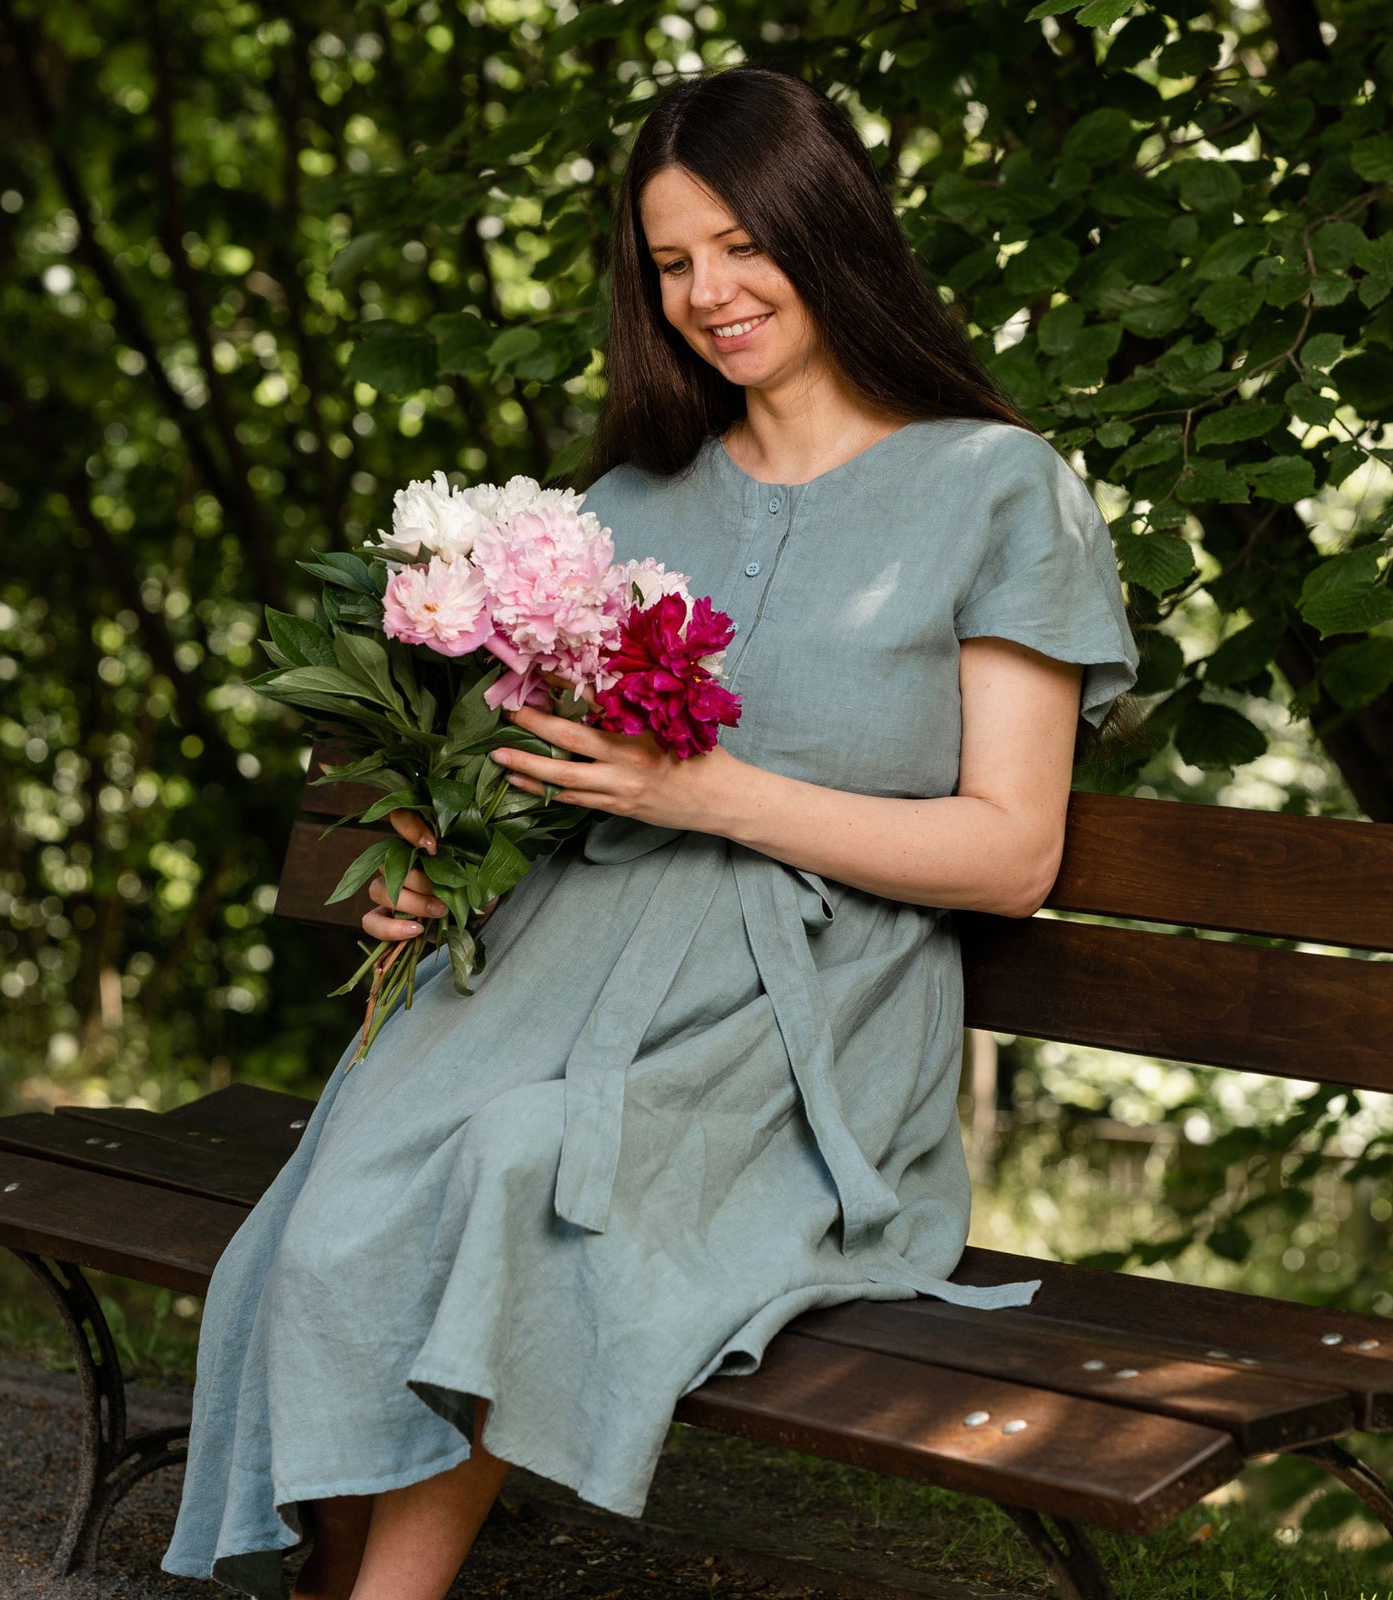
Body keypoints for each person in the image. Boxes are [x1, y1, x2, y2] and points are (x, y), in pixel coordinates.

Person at [162, 62, 1137, 1600]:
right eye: (673, 261)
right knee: (339, 1224)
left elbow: (1013, 855)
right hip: (555, 979)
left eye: (743, 244)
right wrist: (437, 865)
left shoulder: (996, 488)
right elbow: (540, 778)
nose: (709, 294)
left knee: (525, 1165)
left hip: (805, 1031)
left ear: (830, 229)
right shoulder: (627, 498)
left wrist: (716, 796)